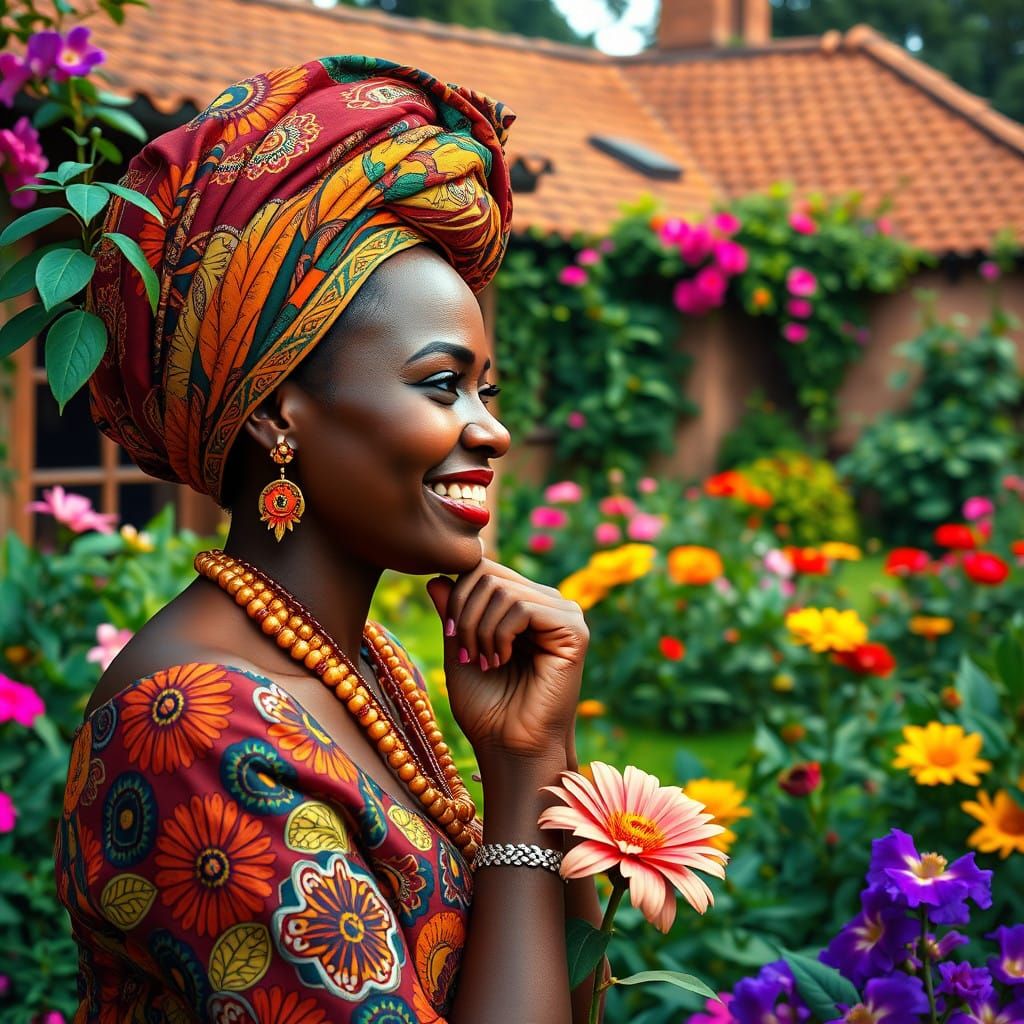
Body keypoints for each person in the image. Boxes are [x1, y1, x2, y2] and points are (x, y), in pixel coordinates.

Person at [53, 55, 600, 1023]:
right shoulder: (192, 730)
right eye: (442, 385)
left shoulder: (364, 665)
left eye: (487, 390)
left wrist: (537, 751)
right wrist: (520, 789)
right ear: (277, 412)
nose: (491, 430)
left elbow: (573, 997)